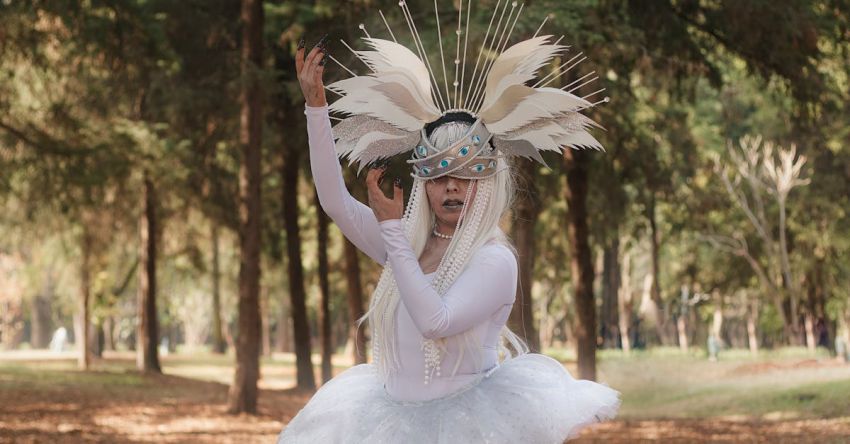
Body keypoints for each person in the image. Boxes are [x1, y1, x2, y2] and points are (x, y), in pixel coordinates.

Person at [278, 15, 620, 443]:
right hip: (385, 419)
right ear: (424, 184)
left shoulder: (494, 260)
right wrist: (316, 109)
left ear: (487, 183)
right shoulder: (407, 243)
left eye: (465, 176)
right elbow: (334, 201)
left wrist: (392, 235)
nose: (452, 187)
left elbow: (435, 322)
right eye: (440, 177)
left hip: (464, 426)